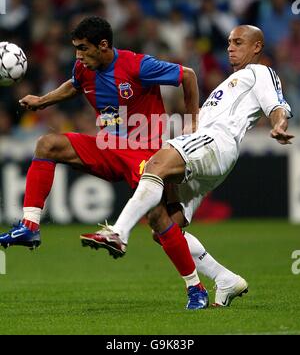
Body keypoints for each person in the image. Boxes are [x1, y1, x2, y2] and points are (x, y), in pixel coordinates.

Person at [80, 25, 293, 310]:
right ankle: (225, 279)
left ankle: (118, 232)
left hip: (216, 143)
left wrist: (279, 124)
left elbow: (277, 105)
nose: (230, 47)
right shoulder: (230, 83)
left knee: (155, 164)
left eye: (238, 42)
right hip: (205, 148)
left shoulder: (260, 73)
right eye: (229, 42)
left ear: (257, 47)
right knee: (164, 227)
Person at [0, 16, 200, 251]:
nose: (78, 56)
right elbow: (75, 84)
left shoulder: (138, 65)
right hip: (109, 150)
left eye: (83, 48)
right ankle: (30, 227)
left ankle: (200, 283)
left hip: (145, 156)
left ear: (103, 45)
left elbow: (187, 75)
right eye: (76, 49)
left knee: (163, 224)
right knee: (47, 144)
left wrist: (192, 121)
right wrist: (43, 101)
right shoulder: (83, 67)